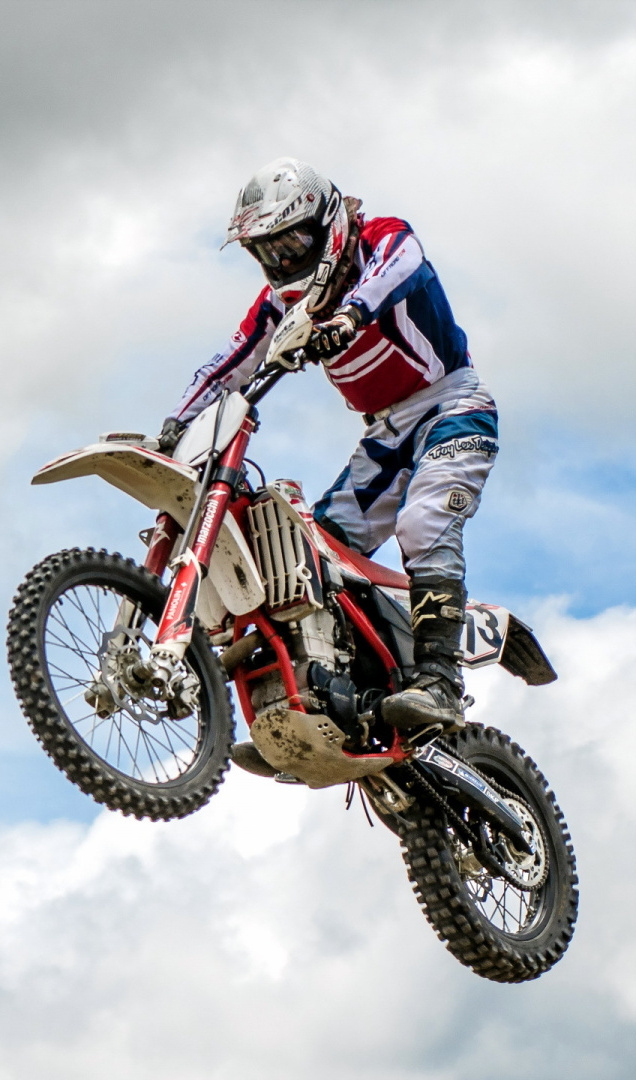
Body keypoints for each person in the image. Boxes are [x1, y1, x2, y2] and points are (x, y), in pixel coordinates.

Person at [156, 158, 497, 729]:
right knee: (313, 558)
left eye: (292, 240)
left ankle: (439, 682)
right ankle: (350, 692)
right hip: (385, 436)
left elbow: (403, 266)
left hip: (453, 406)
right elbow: (228, 365)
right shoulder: (279, 304)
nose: (284, 259)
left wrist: (349, 314)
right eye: (268, 249)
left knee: (422, 523)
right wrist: (172, 426)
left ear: (326, 221)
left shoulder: (382, 239)